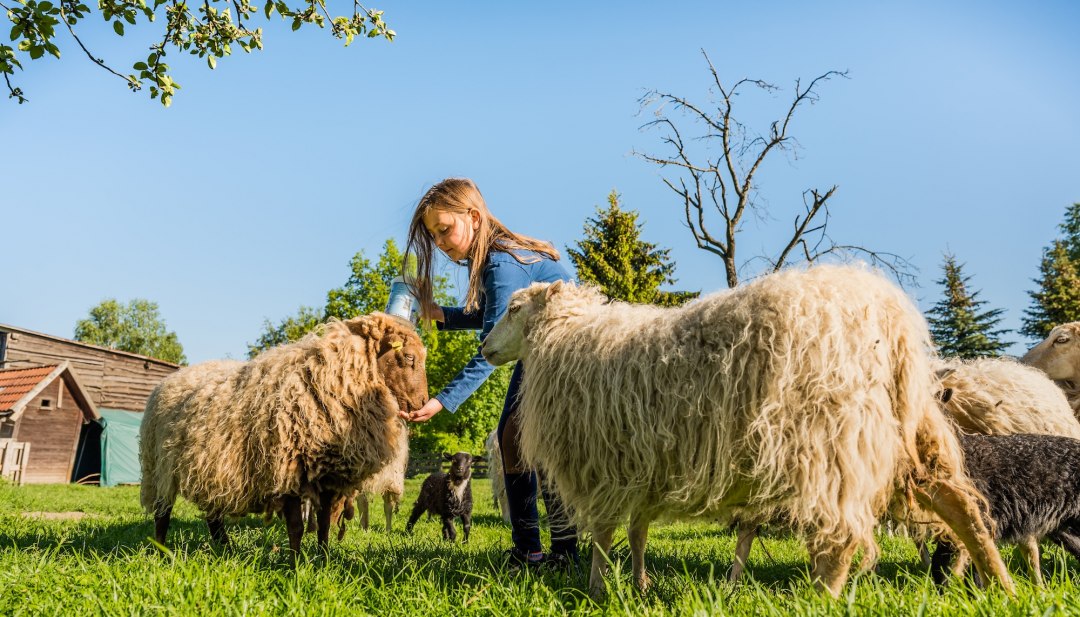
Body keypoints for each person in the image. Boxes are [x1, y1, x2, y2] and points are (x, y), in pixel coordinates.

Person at [401, 177, 578, 570]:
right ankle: (537, 549)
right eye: (433, 234)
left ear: (474, 217)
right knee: (516, 438)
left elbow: (490, 345)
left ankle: (555, 552)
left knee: (523, 438)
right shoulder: (493, 260)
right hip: (544, 348)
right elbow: (493, 315)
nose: (440, 241)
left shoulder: (500, 262)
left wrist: (442, 400)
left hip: (561, 350)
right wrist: (442, 315)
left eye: (444, 229)